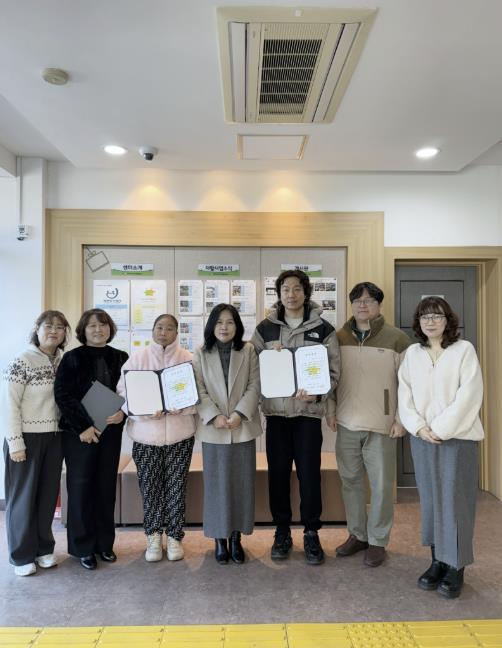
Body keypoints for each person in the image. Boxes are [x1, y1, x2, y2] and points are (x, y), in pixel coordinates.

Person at [251, 270, 340, 565]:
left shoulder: (323, 329)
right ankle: (282, 532)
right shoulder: (265, 329)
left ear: (306, 292)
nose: (291, 295)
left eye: (297, 289)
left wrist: (318, 394)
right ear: (279, 294)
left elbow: (334, 372)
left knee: (309, 476)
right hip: (276, 415)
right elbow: (253, 371)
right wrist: (271, 360)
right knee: (277, 476)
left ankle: (312, 533)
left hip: (307, 415)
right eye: (286, 289)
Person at [398, 296, 484, 598]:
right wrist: (419, 427)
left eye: (436, 316)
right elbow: (404, 394)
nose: (430, 321)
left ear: (448, 320)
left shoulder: (463, 350)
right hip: (422, 439)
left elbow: (469, 395)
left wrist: (441, 428)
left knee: (456, 503)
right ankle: (437, 561)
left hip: (457, 439)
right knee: (432, 501)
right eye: (425, 317)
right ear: (418, 323)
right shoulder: (412, 354)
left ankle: (456, 566)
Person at [334, 282, 411, 567]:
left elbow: (410, 384)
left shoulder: (397, 339)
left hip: (383, 425)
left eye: (368, 300)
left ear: (379, 305)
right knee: (350, 483)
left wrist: (401, 419)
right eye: (357, 300)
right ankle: (358, 535)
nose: (362, 305)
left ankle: (378, 540)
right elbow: (330, 377)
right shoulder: (339, 337)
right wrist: (329, 410)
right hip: (346, 423)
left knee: (381, 486)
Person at [117, 314, 196, 562]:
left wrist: (184, 407)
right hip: (145, 437)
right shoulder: (137, 359)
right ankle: (152, 536)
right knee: (150, 488)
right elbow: (123, 393)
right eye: (159, 327)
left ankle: (174, 537)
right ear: (152, 330)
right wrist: (142, 412)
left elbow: (199, 395)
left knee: (176, 488)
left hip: (180, 435)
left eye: (169, 328)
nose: (164, 332)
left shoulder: (189, 359)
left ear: (177, 333)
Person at [54, 308, 128, 570]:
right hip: (80, 435)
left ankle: (104, 544)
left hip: (110, 432)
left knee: (106, 488)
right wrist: (83, 426)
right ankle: (83, 547)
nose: (98, 330)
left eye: (103, 324)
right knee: (81, 488)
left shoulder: (121, 357)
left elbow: (129, 392)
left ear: (110, 329)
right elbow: (63, 394)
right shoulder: (72, 357)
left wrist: (123, 413)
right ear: (83, 330)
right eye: (92, 326)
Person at [2, 310, 70, 576]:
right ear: (37, 329)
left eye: (60, 327)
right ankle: (21, 556)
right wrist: (15, 442)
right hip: (26, 438)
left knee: (47, 497)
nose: (54, 331)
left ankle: (43, 549)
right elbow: (9, 405)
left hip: (54, 438)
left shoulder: (63, 361)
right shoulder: (22, 360)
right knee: (22, 499)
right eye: (48, 326)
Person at [192, 303, 261, 565]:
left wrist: (240, 413)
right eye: (219, 322)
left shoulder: (248, 350)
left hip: (242, 427)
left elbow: (255, 384)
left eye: (230, 322)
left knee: (242, 485)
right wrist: (215, 416)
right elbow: (198, 388)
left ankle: (236, 538)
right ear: (212, 325)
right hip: (214, 429)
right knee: (217, 487)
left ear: (237, 326)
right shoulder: (200, 353)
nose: (224, 327)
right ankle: (219, 539)